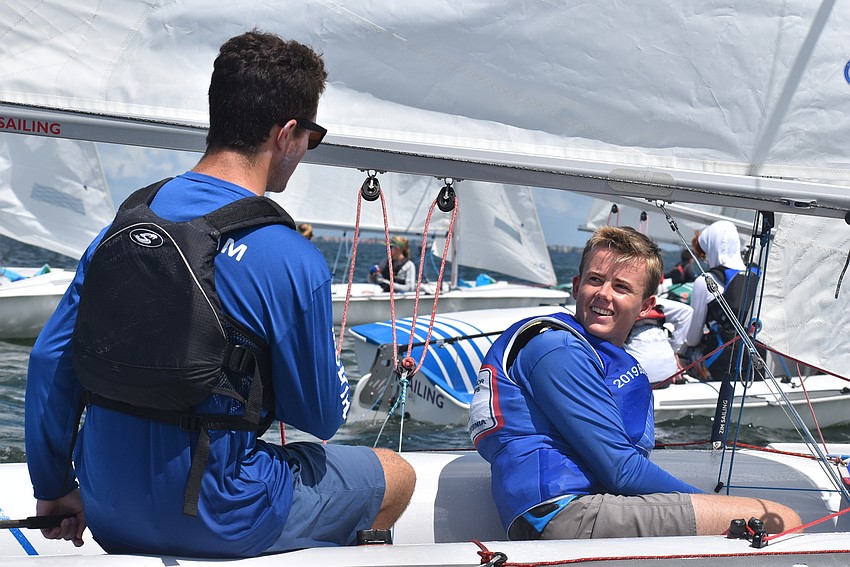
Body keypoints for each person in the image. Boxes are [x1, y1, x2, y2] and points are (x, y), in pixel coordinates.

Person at [25, 30, 414, 558]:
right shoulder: (290, 257)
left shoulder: (124, 226)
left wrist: (52, 490)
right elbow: (321, 419)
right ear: (287, 134)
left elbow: (50, 361)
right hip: (218, 514)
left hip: (106, 511)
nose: (305, 151)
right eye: (312, 138)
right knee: (397, 475)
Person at [468, 226, 800, 540]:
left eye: (621, 287)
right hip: (561, 512)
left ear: (645, 306)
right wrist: (720, 509)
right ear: (575, 286)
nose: (603, 294)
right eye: (594, 280)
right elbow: (622, 472)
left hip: (572, 506)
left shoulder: (590, 351)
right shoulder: (556, 350)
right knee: (780, 519)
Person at [683, 220, 760, 381]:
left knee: (687, 354)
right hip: (756, 364)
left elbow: (692, 339)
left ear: (712, 249)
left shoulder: (705, 281)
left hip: (719, 366)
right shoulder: (757, 276)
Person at [625, 295, 694, 387]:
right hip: (668, 372)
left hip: (635, 375)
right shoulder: (656, 303)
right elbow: (686, 312)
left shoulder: (622, 303)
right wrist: (674, 351)